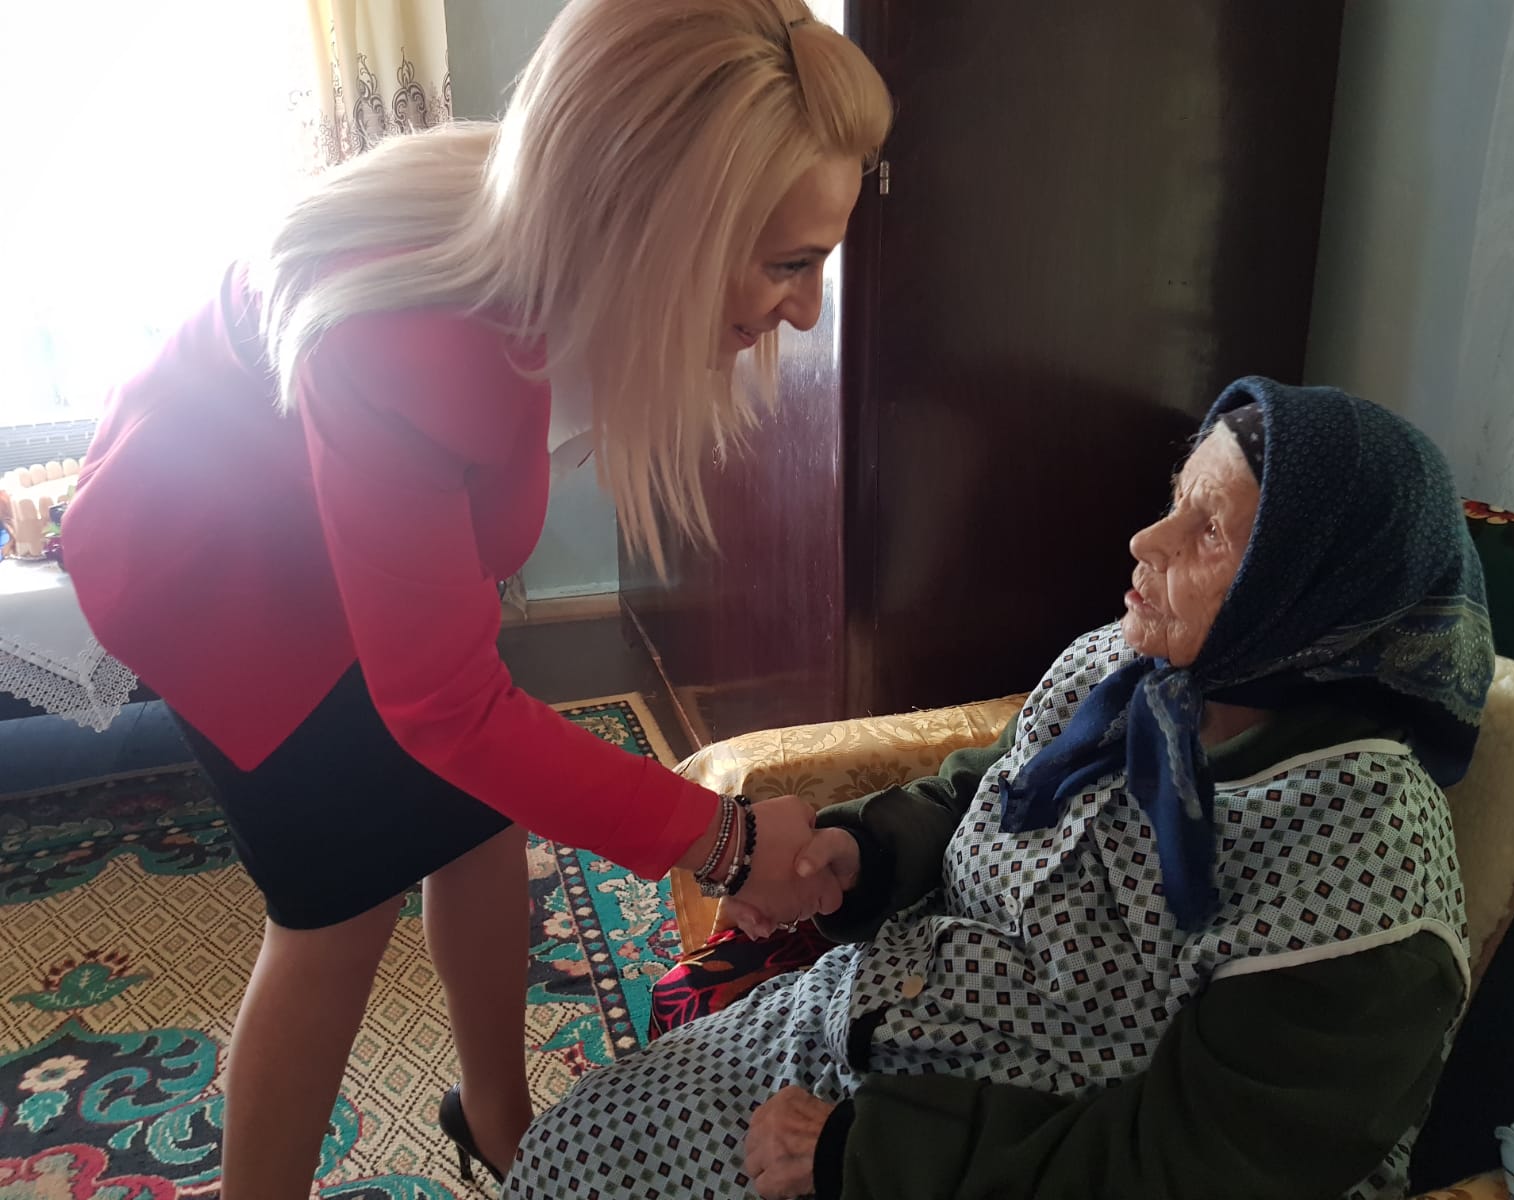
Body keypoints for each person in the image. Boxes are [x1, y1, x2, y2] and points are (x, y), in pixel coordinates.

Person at [60, 3, 892, 1197]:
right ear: (660, 226)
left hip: (325, 516)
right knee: (336, 913)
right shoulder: (411, 336)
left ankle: (496, 1113)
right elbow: (445, 706)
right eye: (787, 264)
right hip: (217, 570)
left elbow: (455, 662)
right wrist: (724, 843)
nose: (805, 311)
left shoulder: (561, 223)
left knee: (483, 813)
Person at [503, 376, 1496, 1200]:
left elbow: (1191, 1167)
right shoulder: (1125, 668)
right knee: (569, 1152)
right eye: (1174, 496)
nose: (1145, 541)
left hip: (987, 1152)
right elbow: (986, 789)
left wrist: (861, 1154)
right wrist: (862, 851)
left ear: (1309, 600)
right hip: (877, 1023)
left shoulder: (1364, 883)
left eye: (1207, 531)